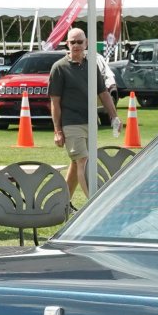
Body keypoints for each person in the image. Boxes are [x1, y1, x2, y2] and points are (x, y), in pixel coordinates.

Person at [48, 28, 119, 204]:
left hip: (91, 122)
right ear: (67, 44)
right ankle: (94, 205)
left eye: (80, 42)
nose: (77, 45)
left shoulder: (91, 65)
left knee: (76, 163)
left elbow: (103, 93)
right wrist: (57, 130)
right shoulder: (59, 68)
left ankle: (62, 205)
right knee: (83, 161)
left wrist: (114, 117)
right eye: (73, 42)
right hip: (71, 123)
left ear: (86, 43)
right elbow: (54, 102)